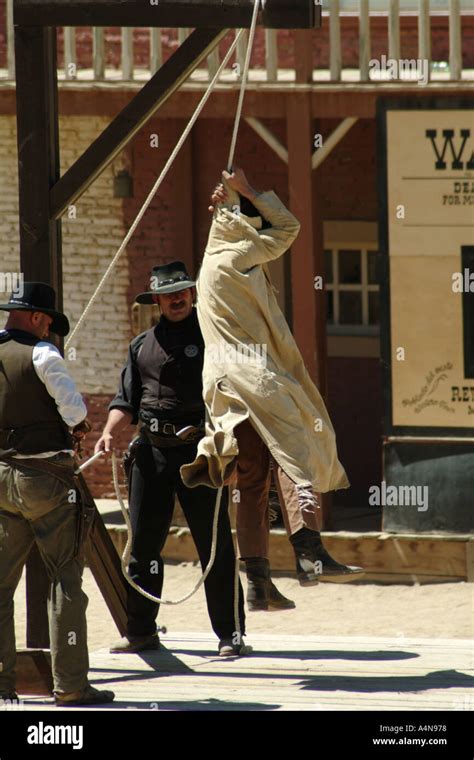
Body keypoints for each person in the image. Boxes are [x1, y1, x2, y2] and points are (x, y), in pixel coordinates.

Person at [181, 169, 364, 610]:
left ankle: (258, 583)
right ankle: (308, 551)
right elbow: (289, 228)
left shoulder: (210, 265)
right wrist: (248, 191)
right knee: (294, 451)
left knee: (252, 480)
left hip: (224, 382)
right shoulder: (237, 253)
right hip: (252, 374)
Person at [95, 263, 247, 657]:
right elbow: (125, 401)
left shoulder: (214, 338)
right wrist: (110, 431)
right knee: (144, 546)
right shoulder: (141, 344)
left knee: (212, 546)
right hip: (150, 454)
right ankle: (141, 631)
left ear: (192, 294)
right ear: (157, 300)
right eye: (168, 294)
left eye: (182, 291)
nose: (177, 299)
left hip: (199, 453)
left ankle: (231, 634)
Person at [0, 282, 114, 706]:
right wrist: (79, 426)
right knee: (64, 580)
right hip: (45, 480)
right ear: (34, 317)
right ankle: (69, 686)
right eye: (47, 321)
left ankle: (1, 682)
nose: (49, 330)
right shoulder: (44, 355)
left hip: (0, 479)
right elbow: (76, 413)